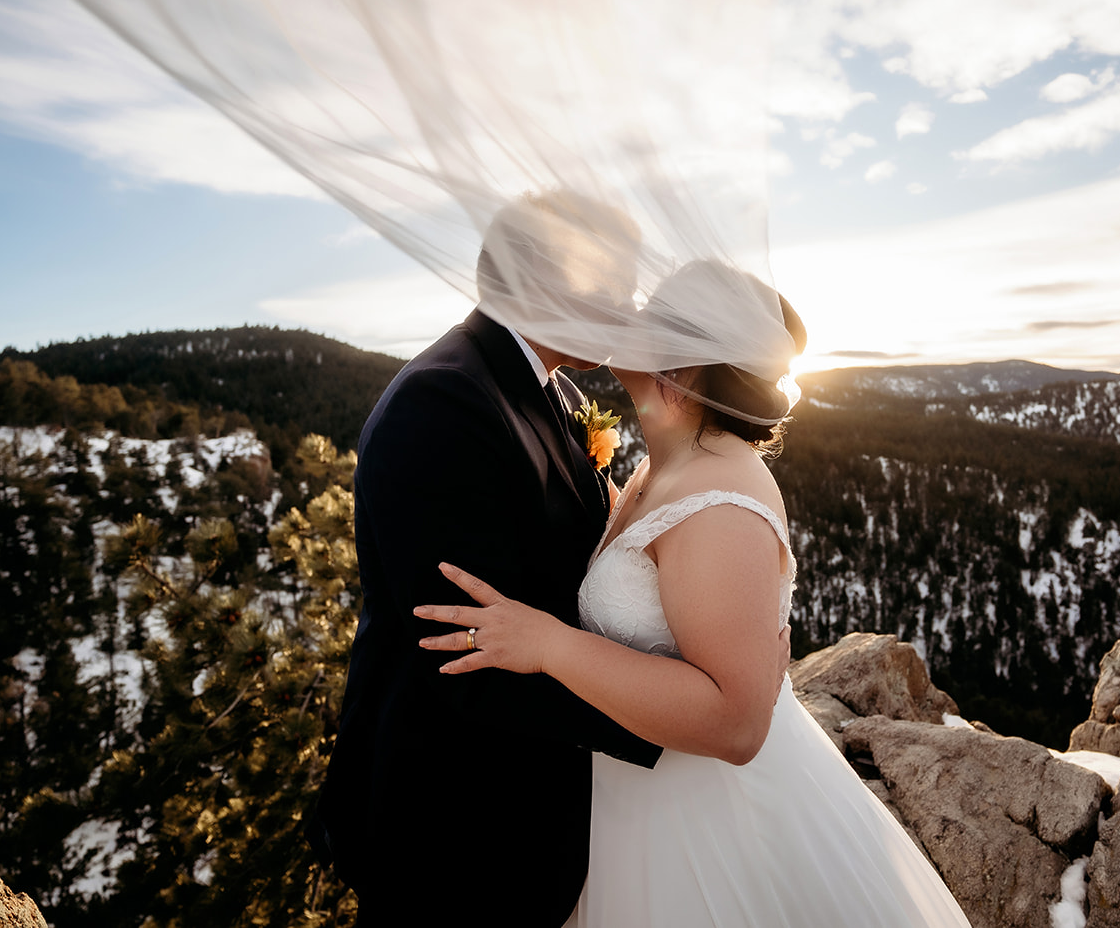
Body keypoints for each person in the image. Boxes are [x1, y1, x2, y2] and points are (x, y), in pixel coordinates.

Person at [414, 265, 973, 927]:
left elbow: (736, 725)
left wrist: (547, 643)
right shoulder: (667, 461)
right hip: (639, 799)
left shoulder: (721, 498)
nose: (632, 314)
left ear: (683, 363)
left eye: (656, 313)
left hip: (710, 818)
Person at [309, 192, 683, 927]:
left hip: (523, 807)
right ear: (552, 280)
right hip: (451, 825)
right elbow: (461, 652)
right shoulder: (443, 399)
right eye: (619, 284)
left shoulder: (553, 385)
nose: (632, 305)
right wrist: (675, 715)